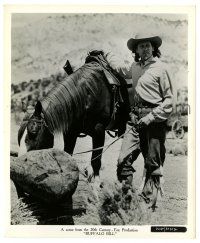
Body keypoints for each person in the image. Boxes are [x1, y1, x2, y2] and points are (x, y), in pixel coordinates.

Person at [116, 33, 173, 201]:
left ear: (154, 47)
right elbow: (119, 70)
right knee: (122, 160)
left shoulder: (162, 68)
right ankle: (127, 199)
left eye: (148, 45)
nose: (145, 49)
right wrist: (105, 56)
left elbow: (169, 100)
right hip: (135, 118)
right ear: (136, 50)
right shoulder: (134, 67)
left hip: (154, 119)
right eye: (141, 46)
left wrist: (151, 117)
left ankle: (148, 205)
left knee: (152, 164)